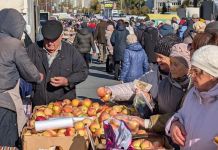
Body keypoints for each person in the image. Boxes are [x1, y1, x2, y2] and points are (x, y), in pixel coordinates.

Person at [0, 8, 43, 147]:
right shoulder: (13, 44)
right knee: (8, 142)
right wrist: (39, 76)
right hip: (5, 101)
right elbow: (29, 72)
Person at [166, 45, 218, 149]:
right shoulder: (193, 92)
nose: (192, 75)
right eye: (192, 70)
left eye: (197, 72)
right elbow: (181, 114)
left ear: (213, 76)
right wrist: (174, 123)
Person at [27, 20, 88, 107]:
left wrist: (67, 81)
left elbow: (83, 71)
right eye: (47, 40)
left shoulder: (70, 51)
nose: (50, 44)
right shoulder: (32, 49)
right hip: (39, 105)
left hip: (64, 105)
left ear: (61, 36)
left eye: (54, 40)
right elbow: (22, 71)